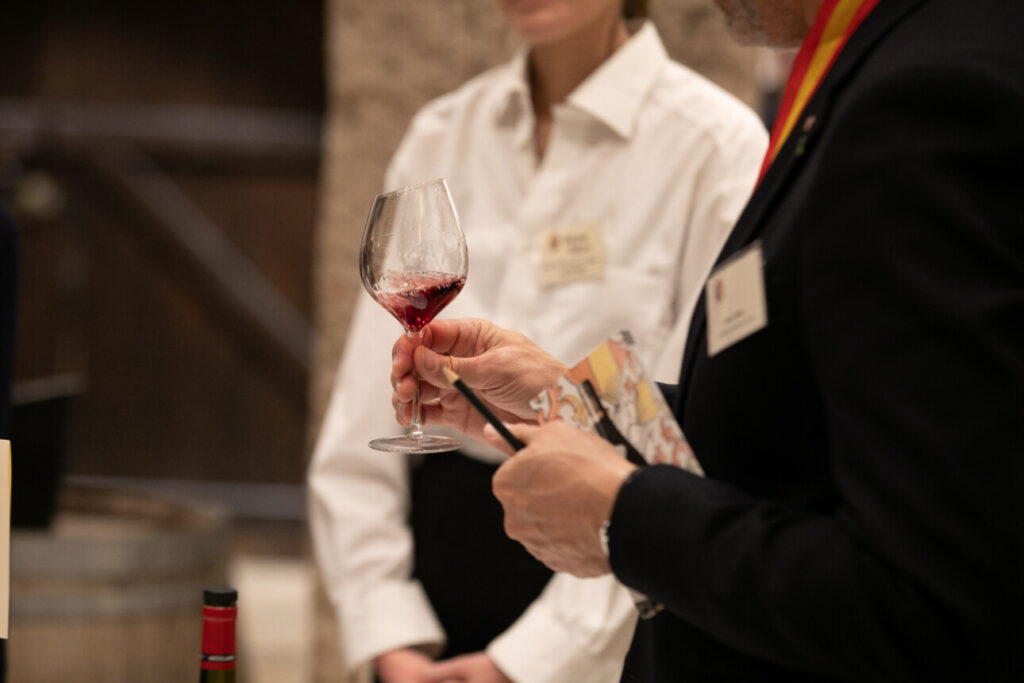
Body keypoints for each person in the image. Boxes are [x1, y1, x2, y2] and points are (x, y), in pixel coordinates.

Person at [389, 0, 1024, 679]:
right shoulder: (876, 61)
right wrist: (567, 398)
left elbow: (931, 596)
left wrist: (624, 514)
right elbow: (784, 430)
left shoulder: (928, 92)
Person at [308, 0, 769, 680]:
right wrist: (391, 637)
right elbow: (360, 428)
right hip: (432, 603)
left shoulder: (716, 146)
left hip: (603, 620)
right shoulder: (443, 132)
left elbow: (681, 452)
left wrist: (517, 664)